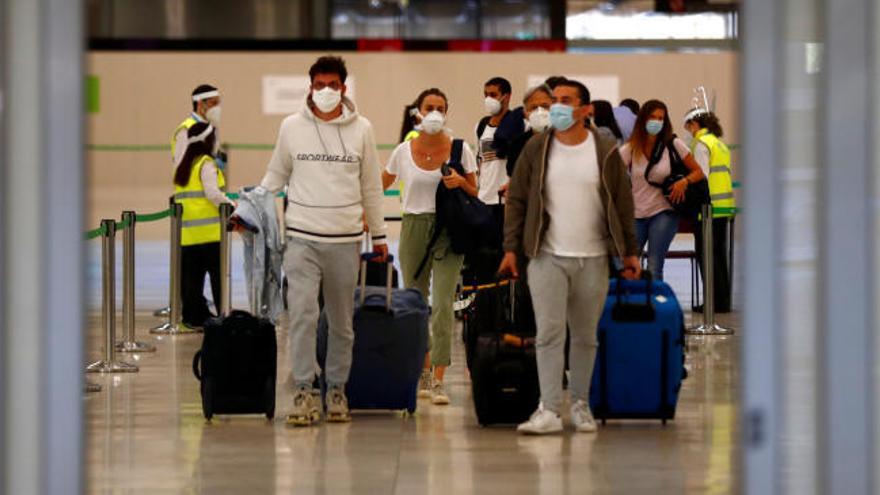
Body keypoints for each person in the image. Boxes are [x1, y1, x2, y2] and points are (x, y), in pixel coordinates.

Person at [498, 79, 641, 435]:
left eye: (565, 100)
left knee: (585, 335)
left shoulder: (606, 149)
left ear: (585, 109)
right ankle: (548, 409)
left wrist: (630, 253)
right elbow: (517, 199)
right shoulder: (536, 148)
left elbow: (623, 204)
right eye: (554, 100)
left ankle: (580, 405)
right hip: (546, 254)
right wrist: (511, 248)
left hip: (593, 258)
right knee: (548, 334)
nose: (556, 107)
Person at [259, 55, 388, 426]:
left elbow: (371, 187)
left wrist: (379, 235)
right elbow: (276, 174)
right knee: (301, 316)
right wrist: (249, 210)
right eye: (320, 85)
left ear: (344, 88)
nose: (327, 91)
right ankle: (304, 390)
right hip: (301, 238)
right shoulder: (291, 127)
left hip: (346, 240)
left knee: (341, 322)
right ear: (310, 87)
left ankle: (336, 390)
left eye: (333, 85)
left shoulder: (362, 128)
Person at [382, 88, 479, 406]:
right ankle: (421, 371)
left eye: (441, 107)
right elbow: (379, 184)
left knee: (443, 304)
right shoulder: (402, 150)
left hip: (450, 229)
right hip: (413, 226)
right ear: (418, 112)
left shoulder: (460, 149)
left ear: (447, 112)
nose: (435, 112)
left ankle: (438, 378)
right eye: (430, 106)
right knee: (414, 301)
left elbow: (475, 190)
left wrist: (460, 183)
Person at [619, 99, 706, 281]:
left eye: (660, 118)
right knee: (629, 264)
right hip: (636, 212)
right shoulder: (631, 148)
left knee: (654, 265)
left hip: (664, 210)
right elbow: (611, 174)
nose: (656, 122)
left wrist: (684, 181)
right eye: (652, 117)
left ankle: (655, 306)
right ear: (643, 119)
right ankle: (632, 304)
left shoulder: (673, 144)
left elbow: (699, 172)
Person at [173, 122, 234, 330]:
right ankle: (223, 319)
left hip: (188, 235)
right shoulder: (206, 163)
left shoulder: (184, 165)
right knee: (218, 280)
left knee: (192, 281)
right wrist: (232, 206)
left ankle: (192, 319)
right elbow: (213, 193)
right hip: (210, 234)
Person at [684, 108, 735, 313]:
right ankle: (722, 302)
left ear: (694, 125)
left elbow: (701, 175)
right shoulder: (719, 143)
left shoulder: (701, 144)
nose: (687, 131)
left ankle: (712, 303)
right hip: (723, 208)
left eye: (687, 127)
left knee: (707, 257)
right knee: (719, 257)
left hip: (708, 209)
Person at [476, 77, 524, 209]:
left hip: (505, 199)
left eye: (493, 95)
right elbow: (481, 161)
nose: (488, 99)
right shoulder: (481, 126)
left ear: (506, 97)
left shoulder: (519, 125)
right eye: (486, 95)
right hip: (483, 199)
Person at [506, 84, 553, 179]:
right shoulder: (517, 145)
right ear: (525, 113)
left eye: (545, 106)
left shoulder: (566, 140)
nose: (540, 111)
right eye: (534, 107)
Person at [172, 84, 223, 169]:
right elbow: (180, 166)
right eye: (213, 103)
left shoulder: (211, 129)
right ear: (200, 104)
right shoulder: (185, 129)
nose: (217, 108)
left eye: (218, 103)